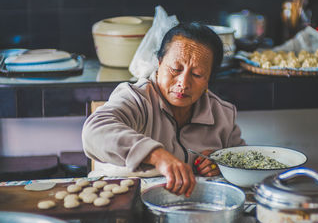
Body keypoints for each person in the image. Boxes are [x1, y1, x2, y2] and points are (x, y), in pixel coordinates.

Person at [82, 22, 245, 197]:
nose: (183, 83)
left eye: (197, 74)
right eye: (176, 69)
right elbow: (94, 131)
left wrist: (220, 163)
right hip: (118, 199)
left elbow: (242, 162)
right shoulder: (136, 98)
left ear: (208, 80)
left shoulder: (221, 115)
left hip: (185, 207)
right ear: (159, 64)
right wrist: (156, 156)